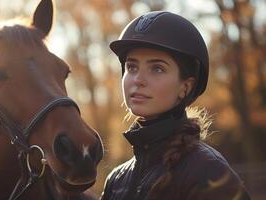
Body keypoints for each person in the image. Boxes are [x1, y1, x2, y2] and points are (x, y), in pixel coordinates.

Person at [100, 11, 251, 200]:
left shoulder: (209, 171)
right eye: (132, 67)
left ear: (185, 87)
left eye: (157, 68)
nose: (138, 79)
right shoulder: (116, 180)